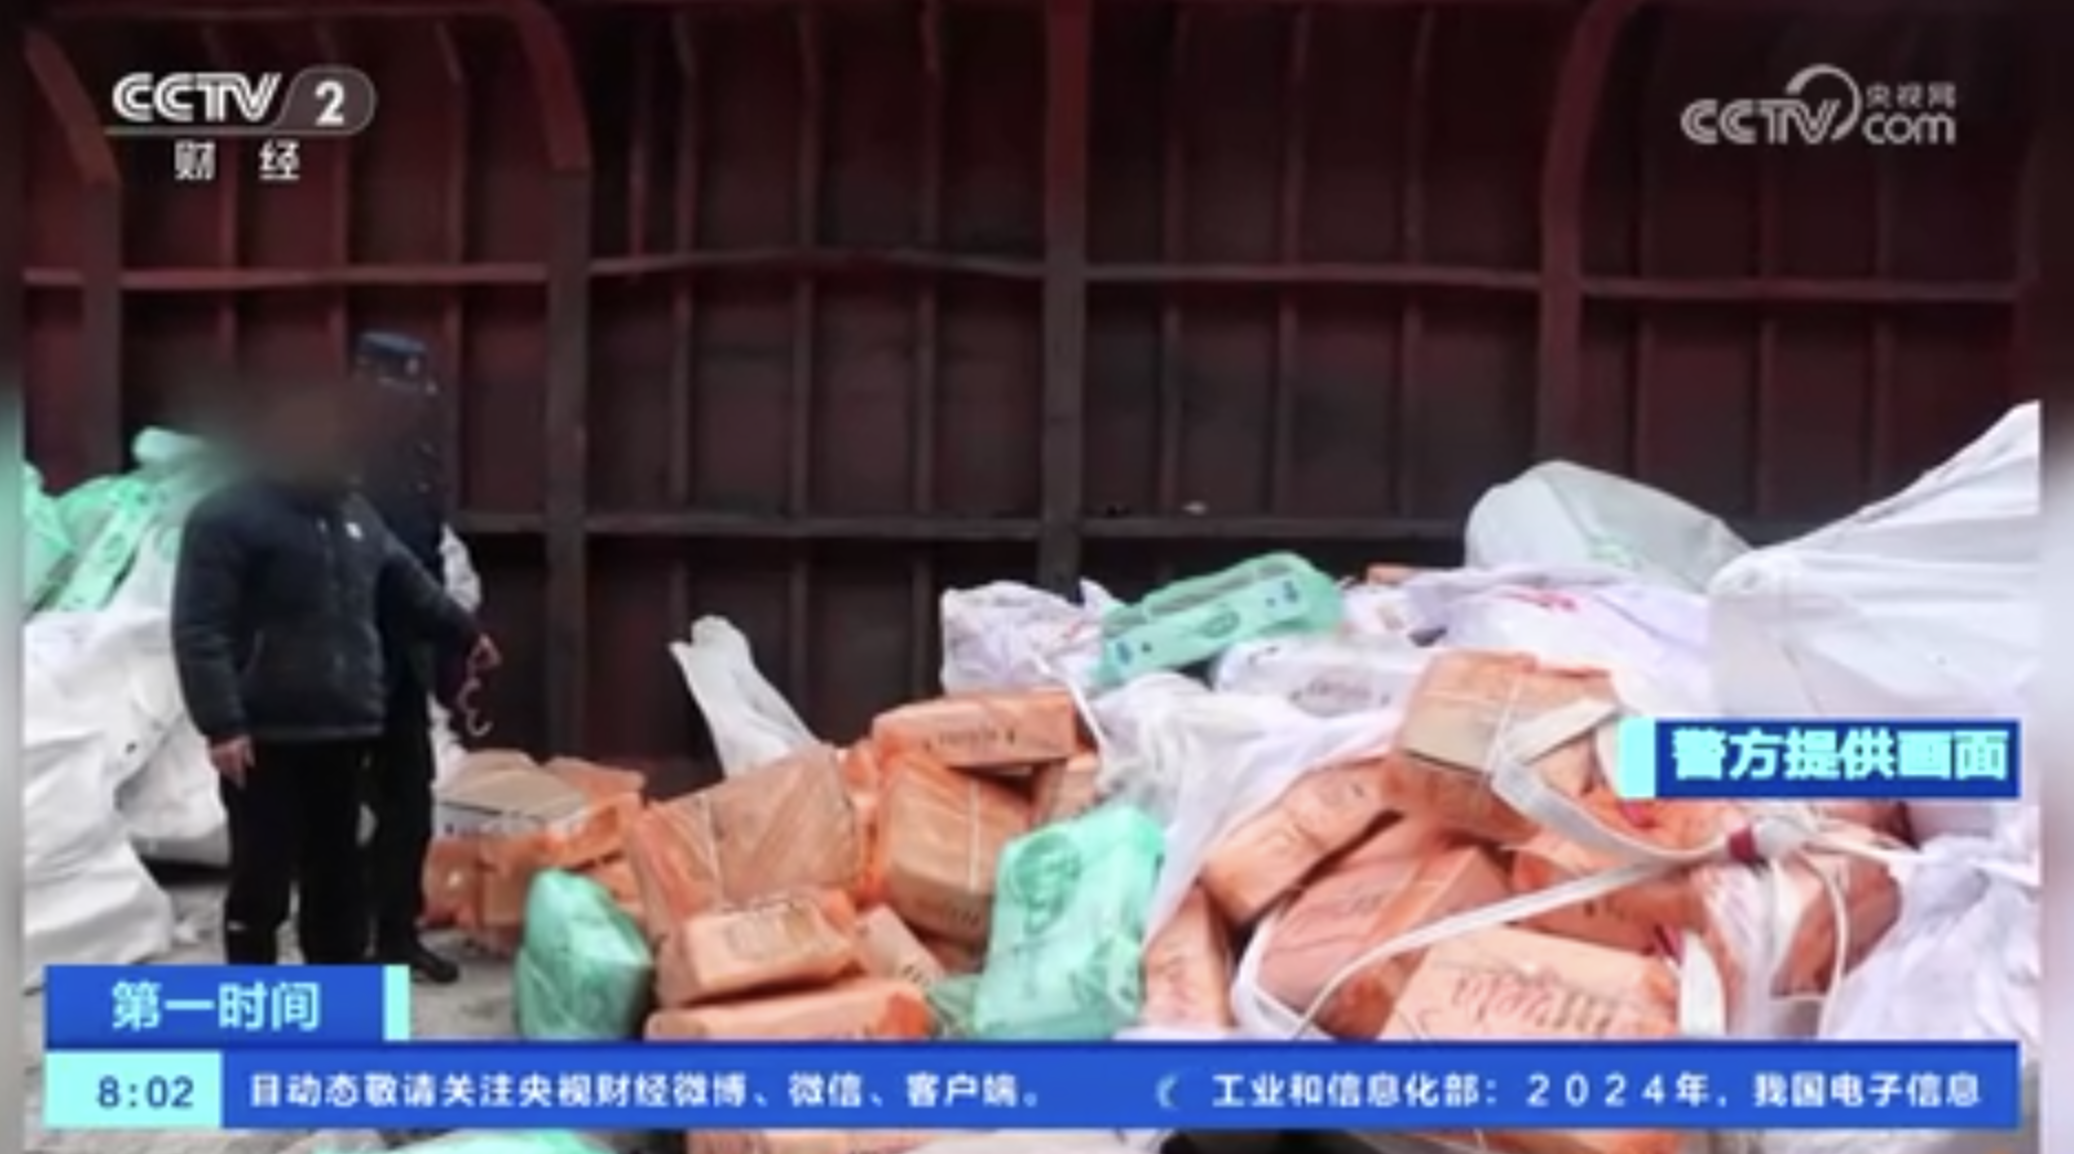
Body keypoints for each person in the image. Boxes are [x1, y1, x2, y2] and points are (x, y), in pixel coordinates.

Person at [170, 375, 494, 966]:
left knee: (336, 874)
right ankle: (254, 996)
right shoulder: (227, 519)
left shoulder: (355, 515)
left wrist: (467, 636)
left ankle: (333, 995)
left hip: (343, 729)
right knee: (263, 876)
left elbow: (409, 588)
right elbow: (200, 628)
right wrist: (222, 724)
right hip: (265, 735)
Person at [353, 332, 470, 983]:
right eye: (407, 384)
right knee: (339, 808)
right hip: (344, 660)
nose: (422, 397)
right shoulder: (338, 461)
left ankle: (396, 936)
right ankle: (344, 943)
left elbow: (423, 565)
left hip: (404, 656)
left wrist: (450, 645)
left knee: (409, 804)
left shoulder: (416, 457)